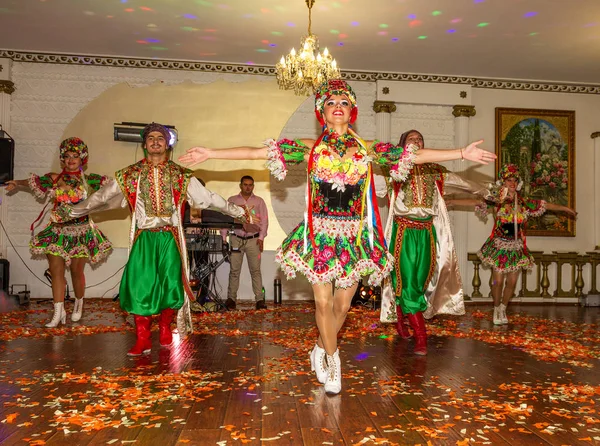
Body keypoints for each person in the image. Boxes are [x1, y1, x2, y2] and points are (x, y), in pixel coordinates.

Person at [178, 79, 495, 395]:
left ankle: (319, 347)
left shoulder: (366, 148)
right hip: (319, 238)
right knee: (323, 301)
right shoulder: (309, 147)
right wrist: (211, 152)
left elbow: (412, 156)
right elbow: (256, 152)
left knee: (342, 307)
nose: (338, 107)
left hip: (353, 241)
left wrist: (461, 153)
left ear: (352, 110)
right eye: (331, 103)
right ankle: (333, 360)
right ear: (322, 112)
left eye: (344, 102)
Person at [54, 123, 252, 356]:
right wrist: (72, 211)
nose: (155, 141)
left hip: (169, 238)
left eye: (160, 138)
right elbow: (101, 197)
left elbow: (208, 199)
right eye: (151, 138)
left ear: (167, 144)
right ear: (145, 144)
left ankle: (166, 328)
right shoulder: (130, 174)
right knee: (140, 286)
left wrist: (240, 212)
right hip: (144, 238)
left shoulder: (180, 175)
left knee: (171, 286)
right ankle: (142, 339)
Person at [378, 130, 493, 355]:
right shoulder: (392, 169)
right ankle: (421, 337)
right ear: (402, 145)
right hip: (404, 233)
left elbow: (465, 184)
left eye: (420, 139)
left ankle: (401, 318)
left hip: (427, 234)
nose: (416, 141)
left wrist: (492, 192)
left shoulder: (436, 171)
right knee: (408, 283)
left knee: (419, 283)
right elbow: (371, 186)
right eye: (411, 139)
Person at [4, 137, 112, 327]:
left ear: (82, 159)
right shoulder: (55, 178)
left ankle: (78, 304)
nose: (71, 160)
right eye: (67, 156)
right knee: (56, 272)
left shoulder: (91, 179)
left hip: (82, 232)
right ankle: (58, 311)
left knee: (77, 272)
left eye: (75, 157)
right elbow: (35, 182)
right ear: (63, 159)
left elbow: (113, 188)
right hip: (57, 232)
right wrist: (16, 182)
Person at [476, 164, 576, 324]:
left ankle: (503, 307)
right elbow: (474, 201)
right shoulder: (496, 201)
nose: (512, 183)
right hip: (498, 246)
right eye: (509, 180)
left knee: (512, 282)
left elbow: (546, 205)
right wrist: (451, 202)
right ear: (503, 182)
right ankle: (495, 307)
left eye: (515, 180)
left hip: (516, 247)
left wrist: (564, 208)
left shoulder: (523, 202)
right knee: (498, 281)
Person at [221, 175, 268, 310]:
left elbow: (264, 220)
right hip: (236, 238)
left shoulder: (259, 201)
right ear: (240, 185)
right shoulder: (232, 200)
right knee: (234, 270)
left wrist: (261, 238)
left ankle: (259, 300)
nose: (248, 187)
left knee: (256, 271)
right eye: (245, 184)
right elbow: (225, 220)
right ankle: (231, 299)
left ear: (253, 186)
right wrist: (224, 238)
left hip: (253, 240)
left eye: (250, 185)